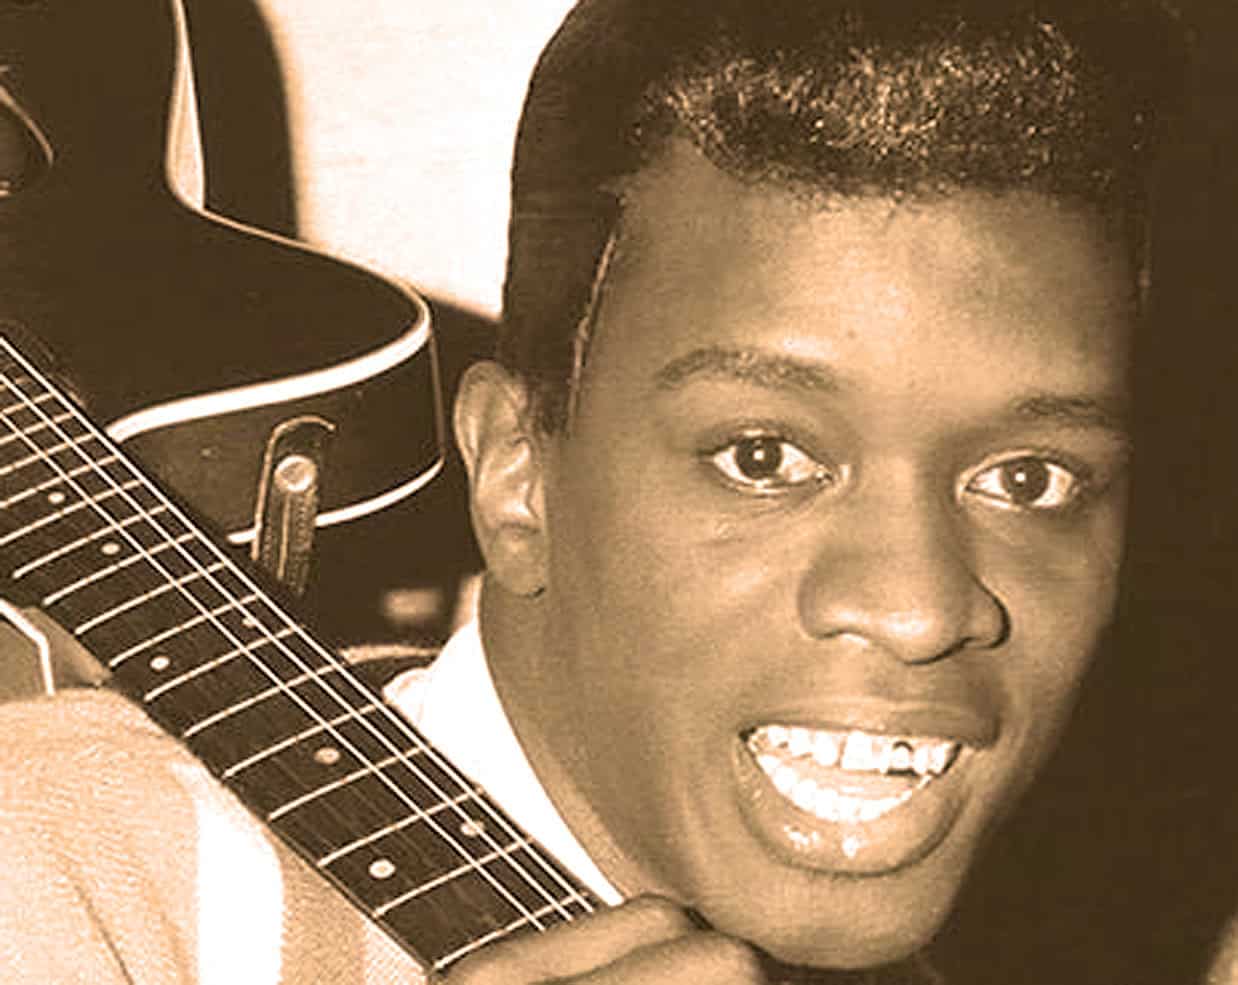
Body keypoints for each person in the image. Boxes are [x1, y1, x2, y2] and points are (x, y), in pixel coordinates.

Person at [0, 0, 1228, 982]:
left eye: (1028, 476)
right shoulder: (69, 866)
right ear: (518, 472)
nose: (916, 608)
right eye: (763, 456)